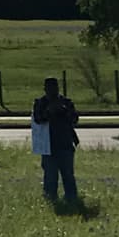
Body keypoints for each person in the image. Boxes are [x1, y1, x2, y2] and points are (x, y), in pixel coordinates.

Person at [33, 76, 80, 204]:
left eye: (54, 88)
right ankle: (50, 199)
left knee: (68, 174)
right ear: (45, 89)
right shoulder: (40, 103)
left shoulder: (66, 102)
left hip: (65, 143)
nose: (52, 91)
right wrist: (49, 111)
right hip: (48, 145)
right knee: (50, 175)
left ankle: (71, 198)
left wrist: (64, 110)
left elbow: (75, 119)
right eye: (49, 88)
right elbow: (38, 119)